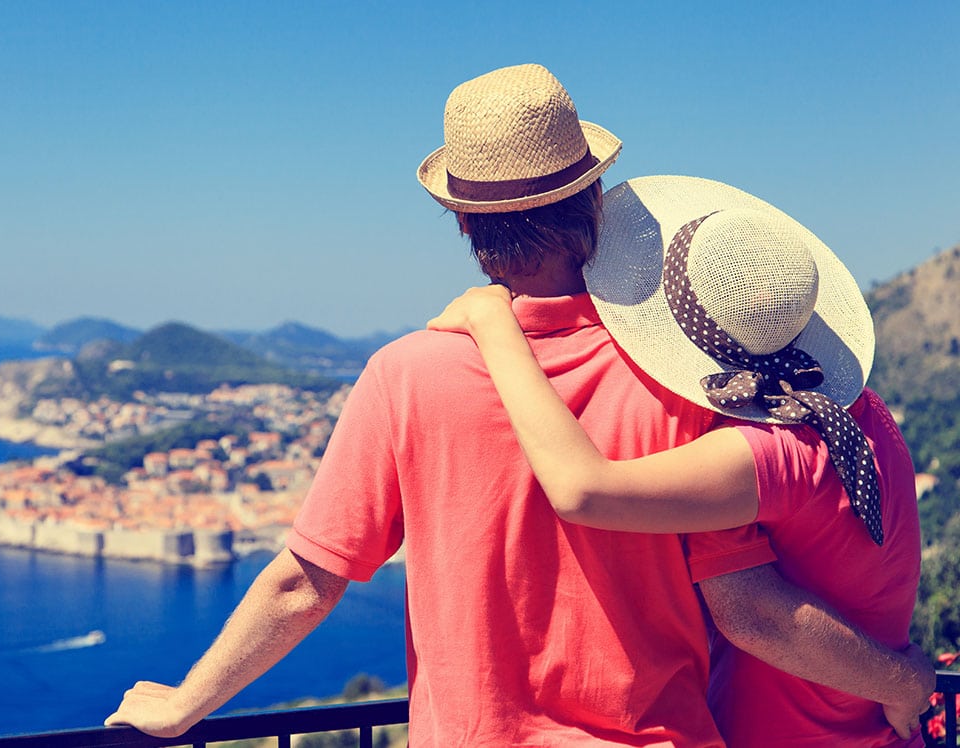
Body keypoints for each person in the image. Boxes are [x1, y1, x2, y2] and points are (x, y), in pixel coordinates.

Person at [106, 65, 930, 746]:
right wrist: (899, 679)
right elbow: (748, 601)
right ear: (597, 202)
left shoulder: (405, 376)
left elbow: (304, 586)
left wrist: (187, 703)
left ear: (462, 220)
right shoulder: (686, 384)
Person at [427, 174, 932, 746]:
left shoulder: (759, 450)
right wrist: (902, 680)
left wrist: (495, 323)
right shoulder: (861, 413)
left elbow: (583, 490)